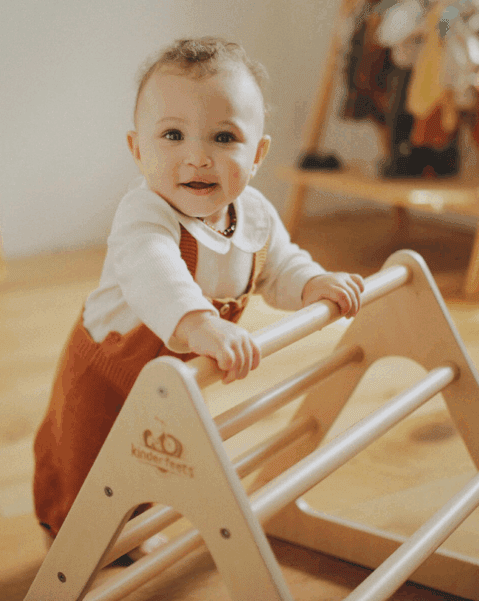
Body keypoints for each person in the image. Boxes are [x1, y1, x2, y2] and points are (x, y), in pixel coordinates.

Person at [33, 37, 364, 542]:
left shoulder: (255, 216)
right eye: (173, 135)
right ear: (138, 150)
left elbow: (281, 266)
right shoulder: (144, 215)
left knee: (149, 456)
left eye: (224, 138)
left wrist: (314, 282)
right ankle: (71, 544)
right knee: (82, 459)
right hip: (106, 371)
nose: (199, 157)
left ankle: (129, 528)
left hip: (173, 377)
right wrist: (200, 323)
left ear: (257, 154)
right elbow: (156, 274)